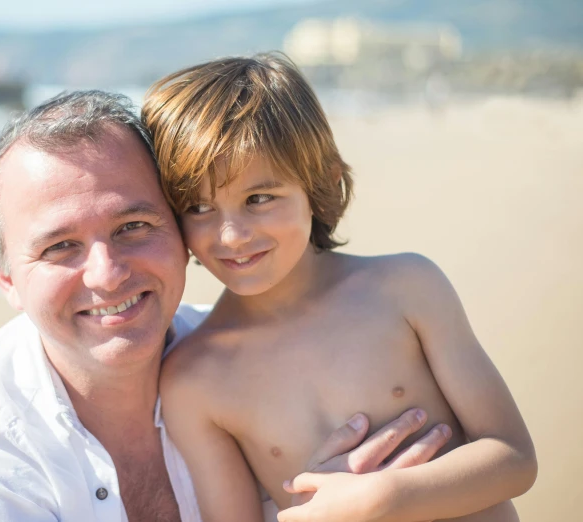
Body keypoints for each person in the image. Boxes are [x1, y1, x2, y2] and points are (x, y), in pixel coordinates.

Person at [0, 90, 452, 522]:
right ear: (5, 279)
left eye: (134, 226)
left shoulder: (249, 357)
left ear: (185, 235)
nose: (108, 273)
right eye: (60, 247)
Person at [143, 54, 537, 522]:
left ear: (320, 183)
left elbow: (514, 458)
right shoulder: (193, 379)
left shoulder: (405, 289)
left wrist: (385, 498)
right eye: (198, 207)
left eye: (260, 198)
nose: (231, 235)